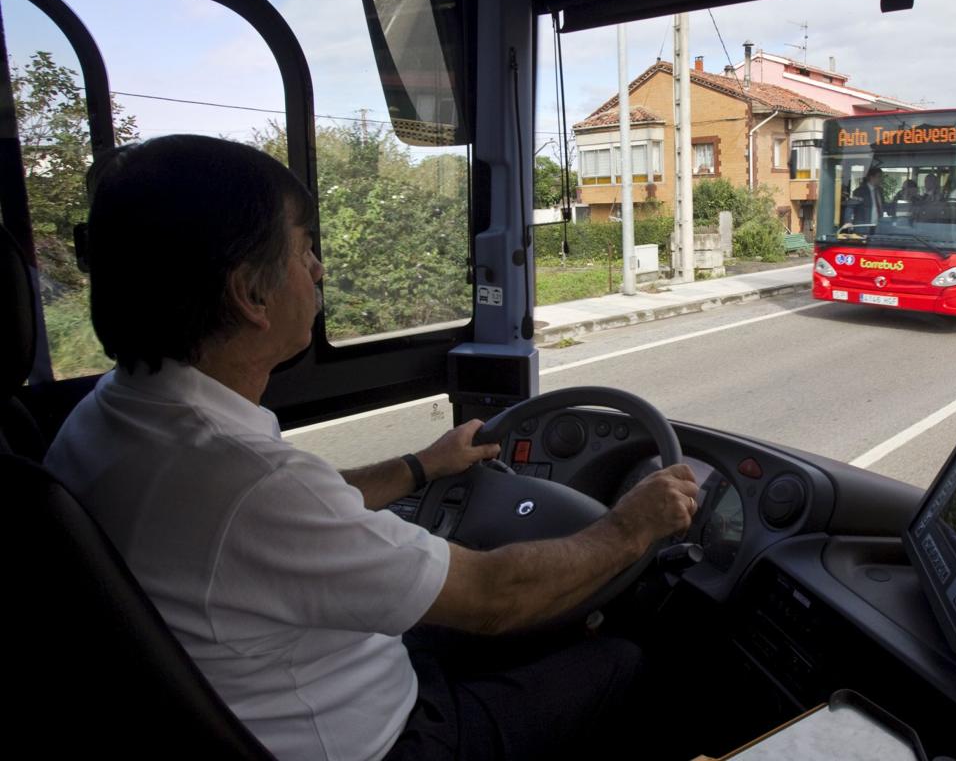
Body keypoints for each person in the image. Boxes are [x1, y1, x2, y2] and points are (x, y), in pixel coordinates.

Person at [44, 135, 699, 761]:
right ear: (250, 294)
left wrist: (421, 467)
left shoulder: (110, 415)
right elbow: (497, 597)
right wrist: (632, 525)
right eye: (304, 251)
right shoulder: (250, 483)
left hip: (269, 698)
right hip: (387, 744)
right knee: (622, 660)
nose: (319, 268)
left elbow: (288, 521)